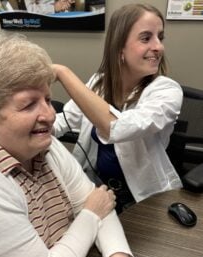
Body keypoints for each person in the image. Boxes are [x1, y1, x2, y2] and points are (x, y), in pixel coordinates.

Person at [0, 34, 155, 257]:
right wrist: (90, 214)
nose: (50, 114)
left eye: (47, 98)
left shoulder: (45, 146)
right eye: (29, 104)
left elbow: (98, 203)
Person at [53, 3, 183, 214]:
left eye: (160, 37)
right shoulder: (98, 83)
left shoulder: (167, 91)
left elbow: (117, 128)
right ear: (119, 46)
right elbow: (64, 120)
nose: (158, 46)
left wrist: (63, 73)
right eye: (146, 38)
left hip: (143, 199)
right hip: (96, 190)